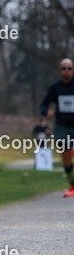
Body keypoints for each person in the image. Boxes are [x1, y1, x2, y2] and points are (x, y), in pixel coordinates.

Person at [39, 58, 74, 197]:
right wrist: (45, 112)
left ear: (72, 70)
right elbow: (43, 104)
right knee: (65, 155)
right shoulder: (55, 87)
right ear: (60, 70)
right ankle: (72, 186)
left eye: (69, 68)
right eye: (64, 68)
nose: (66, 71)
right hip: (62, 126)